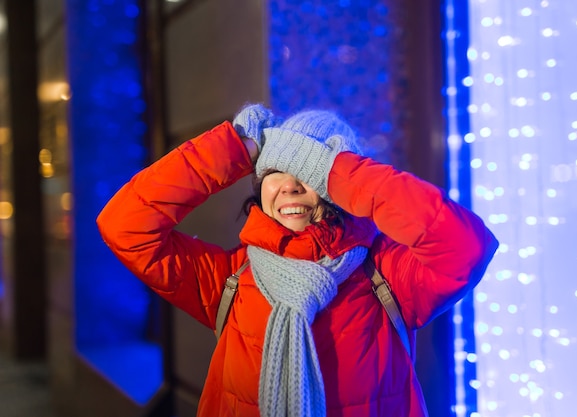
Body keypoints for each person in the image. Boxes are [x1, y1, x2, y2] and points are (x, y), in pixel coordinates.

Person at [97, 103, 498, 417]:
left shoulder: (387, 276)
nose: (289, 184)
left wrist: (342, 173)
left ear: (337, 186)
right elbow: (125, 226)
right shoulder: (229, 279)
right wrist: (232, 149)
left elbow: (466, 247)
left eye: (309, 171)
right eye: (275, 171)